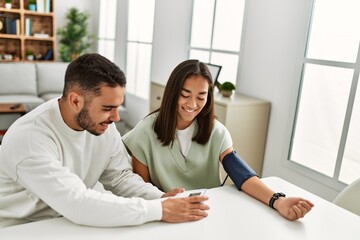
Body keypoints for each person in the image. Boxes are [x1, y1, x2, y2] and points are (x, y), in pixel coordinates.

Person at [0, 54, 209, 228]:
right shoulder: (30, 138)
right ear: (75, 101)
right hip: (21, 229)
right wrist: (160, 210)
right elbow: (78, 203)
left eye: (118, 107)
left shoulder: (102, 126)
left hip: (68, 223)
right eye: (108, 108)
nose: (116, 118)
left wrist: (160, 198)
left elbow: (120, 178)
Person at [123, 59, 314, 221]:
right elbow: (143, 189)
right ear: (172, 93)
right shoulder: (146, 131)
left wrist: (278, 201)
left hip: (209, 214)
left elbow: (242, 175)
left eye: (201, 96)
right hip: (168, 214)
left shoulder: (216, 132)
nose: (192, 104)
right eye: (185, 95)